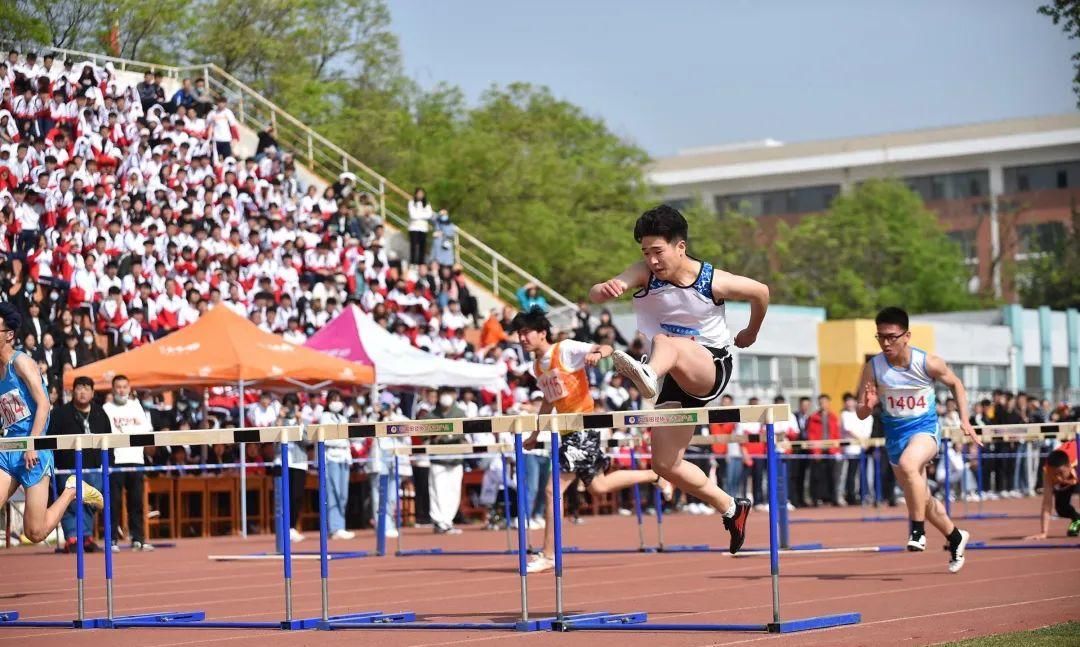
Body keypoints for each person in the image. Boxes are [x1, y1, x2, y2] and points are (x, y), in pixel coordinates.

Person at [589, 205, 766, 553]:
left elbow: (761, 291)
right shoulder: (644, 273)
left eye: (658, 252)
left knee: (665, 341)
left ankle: (647, 374)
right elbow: (599, 293)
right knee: (665, 464)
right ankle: (732, 508)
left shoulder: (712, 280)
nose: (652, 261)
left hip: (709, 365)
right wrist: (606, 288)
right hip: (670, 371)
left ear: (680, 247)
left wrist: (751, 332)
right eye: (645, 253)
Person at [514, 308, 672, 573]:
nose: (522, 338)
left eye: (526, 332)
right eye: (518, 334)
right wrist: (535, 434)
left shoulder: (564, 349)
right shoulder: (536, 366)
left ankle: (549, 554)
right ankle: (655, 476)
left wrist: (596, 354)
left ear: (541, 333)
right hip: (566, 432)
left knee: (553, 491)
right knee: (598, 486)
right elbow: (547, 400)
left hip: (583, 427)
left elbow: (608, 347)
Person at [855, 307, 981, 573]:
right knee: (920, 497)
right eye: (880, 337)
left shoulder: (927, 362)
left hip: (925, 431)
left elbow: (956, 384)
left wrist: (965, 420)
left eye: (891, 337)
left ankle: (917, 531)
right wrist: (868, 405)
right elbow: (861, 411)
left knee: (911, 465)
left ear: (907, 335)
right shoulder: (873, 367)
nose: (886, 343)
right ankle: (955, 536)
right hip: (895, 436)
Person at [0, 304, 103, 544]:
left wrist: (32, 444)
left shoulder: (21, 362)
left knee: (35, 532)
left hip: (33, 449)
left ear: (9, 334)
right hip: (9, 449)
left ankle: (72, 491)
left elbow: (44, 405)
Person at [49, 375, 112, 553]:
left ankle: (85, 537)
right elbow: (50, 441)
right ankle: (72, 537)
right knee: (70, 503)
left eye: (86, 388)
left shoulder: (100, 413)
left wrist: (109, 465)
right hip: (67, 469)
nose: (82, 392)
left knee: (89, 502)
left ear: (92, 392)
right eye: (79, 387)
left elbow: (110, 440)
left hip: (94, 467)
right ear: (72, 391)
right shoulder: (60, 414)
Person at [103, 374, 155, 551]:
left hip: (136, 460)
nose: (121, 390)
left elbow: (147, 432)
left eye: (124, 387)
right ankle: (112, 540)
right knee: (113, 503)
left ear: (129, 388)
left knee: (137, 503)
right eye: (118, 387)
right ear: (113, 389)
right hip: (115, 462)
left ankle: (138, 539)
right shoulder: (106, 409)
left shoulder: (136, 407)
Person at [1025, 439, 1079, 539]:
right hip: (1070, 471)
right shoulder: (1047, 471)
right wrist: (1043, 533)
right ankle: (1077, 519)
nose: (1058, 478)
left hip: (1076, 463)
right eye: (1055, 474)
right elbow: (1047, 503)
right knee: (1061, 508)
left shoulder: (1076, 462)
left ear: (1068, 466)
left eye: (1061, 473)